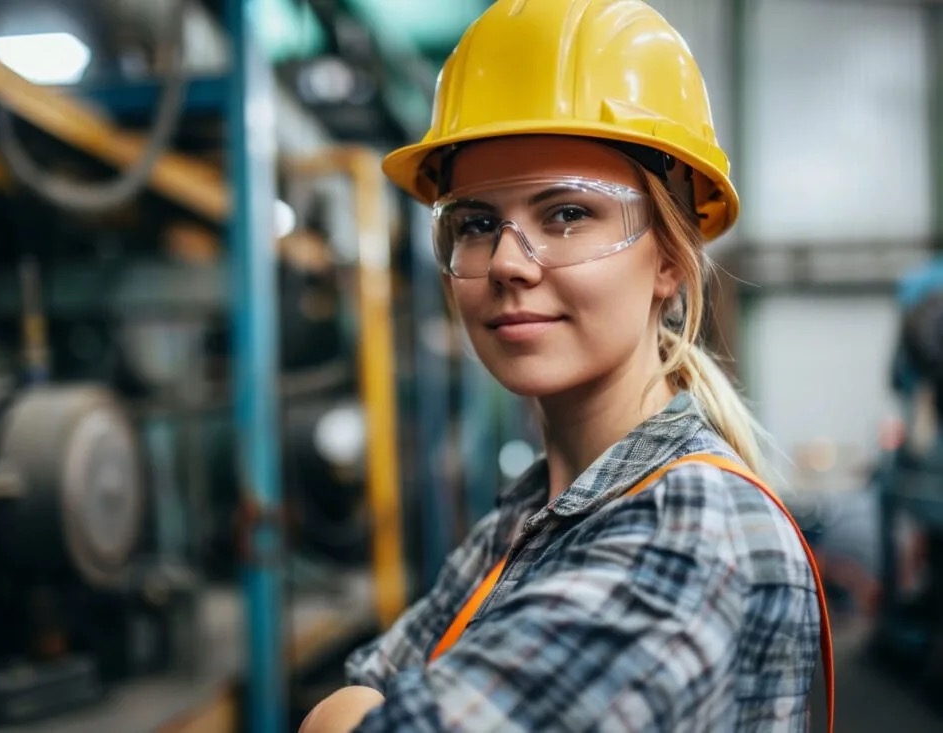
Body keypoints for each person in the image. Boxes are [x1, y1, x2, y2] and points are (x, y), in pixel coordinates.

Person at [301, 0, 830, 730]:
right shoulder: (544, 506)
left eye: (568, 213)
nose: (508, 263)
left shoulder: (687, 532)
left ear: (671, 261)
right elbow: (361, 686)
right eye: (478, 223)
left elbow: (364, 715)